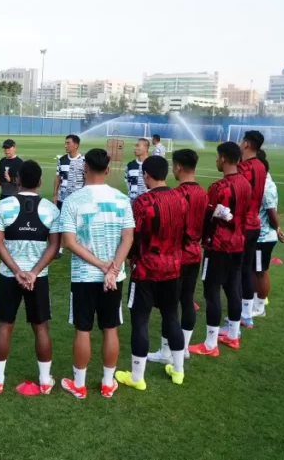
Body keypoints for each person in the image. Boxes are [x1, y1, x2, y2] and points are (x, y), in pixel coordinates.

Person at [59, 148, 135, 399]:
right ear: (107, 169)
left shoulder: (72, 200)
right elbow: (128, 238)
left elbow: (69, 241)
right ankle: (107, 383)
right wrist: (113, 267)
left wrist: (104, 266)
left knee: (83, 329)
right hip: (113, 277)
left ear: (85, 168)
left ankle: (79, 384)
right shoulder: (121, 199)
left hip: (84, 276)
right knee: (110, 328)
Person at [115, 156, 189, 391]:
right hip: (173, 267)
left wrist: (128, 259)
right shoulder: (181, 198)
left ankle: (137, 376)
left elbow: (134, 238)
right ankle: (178, 371)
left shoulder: (142, 203)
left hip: (146, 270)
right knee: (171, 316)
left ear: (146, 175)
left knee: (140, 321)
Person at [0, 160, 60, 395]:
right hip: (37, 278)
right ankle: (45, 381)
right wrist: (34, 272)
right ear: (40, 182)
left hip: (9, 276)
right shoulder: (51, 209)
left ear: (17, 180)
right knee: (41, 328)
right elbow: (54, 246)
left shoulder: (3, 206)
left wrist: (17, 270)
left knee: (4, 325)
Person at [189, 142, 252, 356]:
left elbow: (209, 217)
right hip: (238, 244)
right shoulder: (246, 184)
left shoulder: (219, 188)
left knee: (212, 291)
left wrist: (198, 236)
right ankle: (233, 336)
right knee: (233, 289)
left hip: (218, 246)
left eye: (217, 157)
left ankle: (210, 344)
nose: (216, 161)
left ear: (223, 159)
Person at [148, 149, 209, 363]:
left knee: (170, 306)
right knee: (188, 299)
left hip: (177, 255)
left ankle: (167, 352)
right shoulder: (203, 192)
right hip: (195, 253)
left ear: (178, 167)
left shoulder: (177, 194)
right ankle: (183, 349)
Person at [237, 131, 267, 328]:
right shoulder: (261, 167)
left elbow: (237, 196)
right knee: (247, 270)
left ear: (246, 144)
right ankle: (246, 314)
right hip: (255, 223)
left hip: (240, 226)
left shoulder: (243, 168)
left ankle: (235, 321)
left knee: (236, 273)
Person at [253, 150, 284, 318]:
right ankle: (254, 302)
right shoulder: (262, 181)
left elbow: (272, 213)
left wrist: (277, 229)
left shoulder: (265, 186)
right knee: (255, 270)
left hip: (262, 237)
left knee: (260, 271)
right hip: (258, 235)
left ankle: (259, 307)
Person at [53, 134, 84, 258]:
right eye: (65, 143)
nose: (65, 145)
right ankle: (59, 248)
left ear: (76, 145)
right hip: (63, 198)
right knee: (62, 223)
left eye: (68, 143)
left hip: (79, 199)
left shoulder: (84, 160)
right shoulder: (62, 160)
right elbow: (58, 177)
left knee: (79, 223)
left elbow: (87, 178)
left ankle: (79, 247)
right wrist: (55, 194)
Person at [125, 138, 149, 203]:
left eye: (137, 146)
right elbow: (128, 182)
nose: (135, 148)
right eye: (135, 146)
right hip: (132, 203)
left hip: (147, 203)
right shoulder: (130, 165)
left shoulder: (152, 164)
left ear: (146, 148)